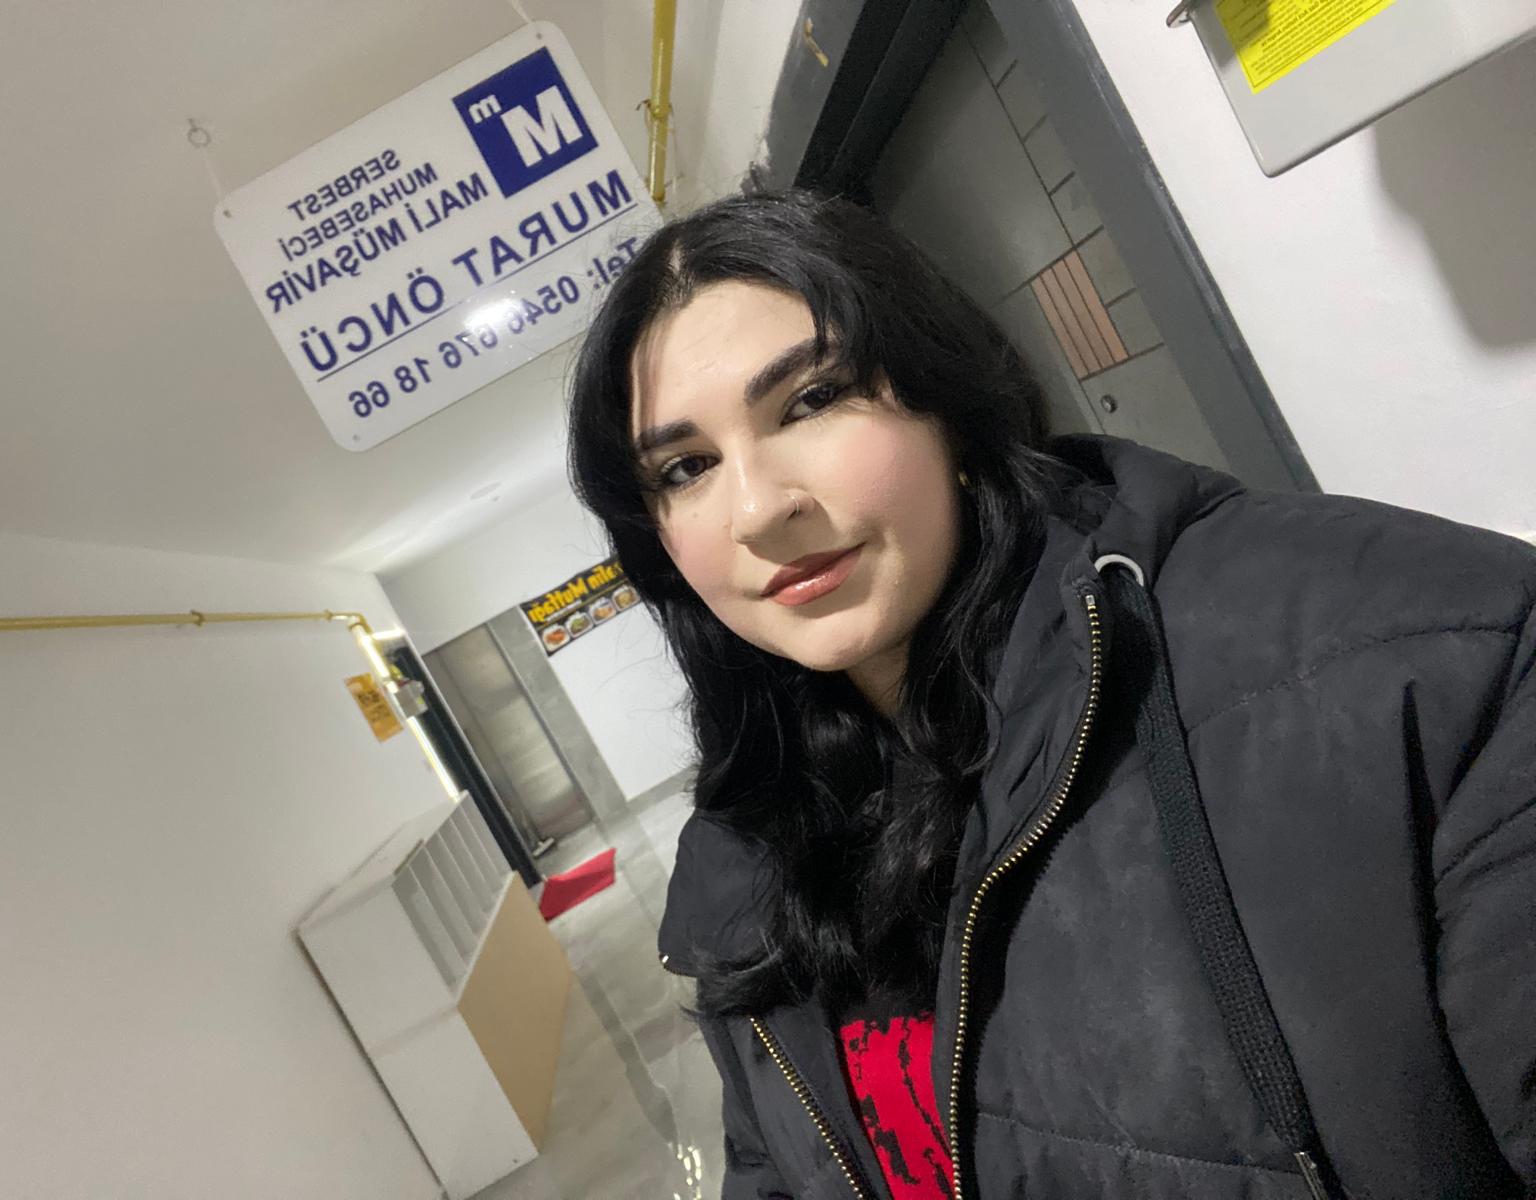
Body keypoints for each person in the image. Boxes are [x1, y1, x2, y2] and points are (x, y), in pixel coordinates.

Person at [566, 191, 1536, 1199]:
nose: (758, 508)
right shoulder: (747, 839)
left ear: (942, 396)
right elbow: (774, 1166)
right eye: (686, 468)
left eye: (810, 401)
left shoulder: (1423, 656)